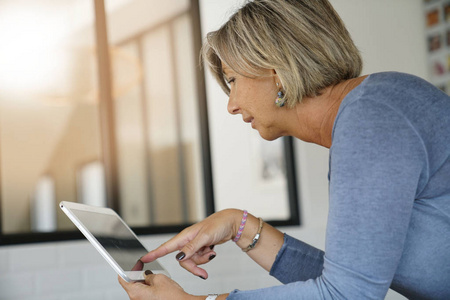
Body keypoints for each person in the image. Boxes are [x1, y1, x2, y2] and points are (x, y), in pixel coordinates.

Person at [119, 0, 450, 299]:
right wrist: (238, 224)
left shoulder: (372, 117)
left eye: (232, 80)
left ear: (275, 70)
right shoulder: (372, 109)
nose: (231, 106)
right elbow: (346, 281)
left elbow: (346, 296)